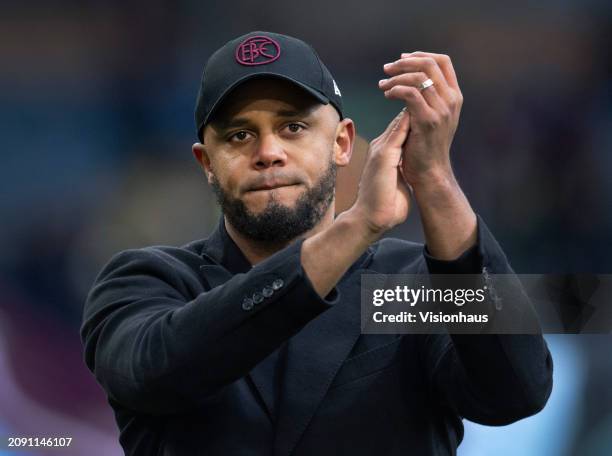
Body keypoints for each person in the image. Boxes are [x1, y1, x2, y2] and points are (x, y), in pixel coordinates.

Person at [81, 31, 553, 455]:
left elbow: (516, 390)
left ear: (343, 144)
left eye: (293, 127)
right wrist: (358, 225)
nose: (268, 153)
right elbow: (160, 372)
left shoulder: (410, 282)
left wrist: (433, 176)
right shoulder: (146, 280)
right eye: (240, 135)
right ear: (207, 163)